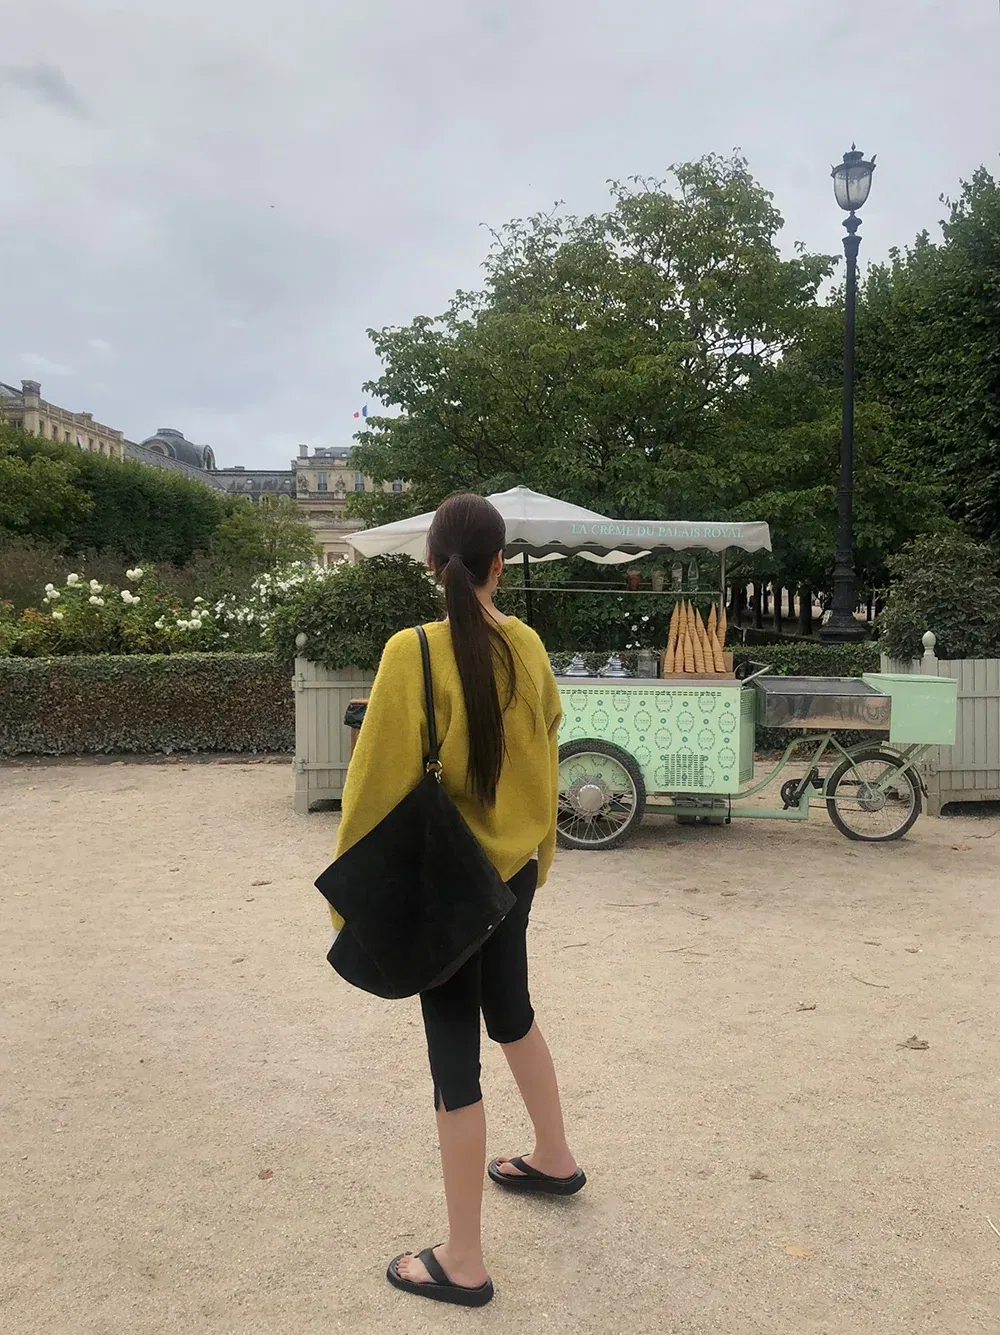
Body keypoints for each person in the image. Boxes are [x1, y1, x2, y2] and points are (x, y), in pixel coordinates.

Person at [331, 493, 584, 1308]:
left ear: (431, 564)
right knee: (512, 1012)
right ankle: (554, 1155)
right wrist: (537, 856)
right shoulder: (529, 645)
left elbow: (373, 786)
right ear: (500, 564)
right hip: (511, 876)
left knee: (453, 1060)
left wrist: (351, 903)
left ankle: (464, 1258)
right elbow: (547, 756)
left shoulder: (412, 652)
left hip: (446, 885)